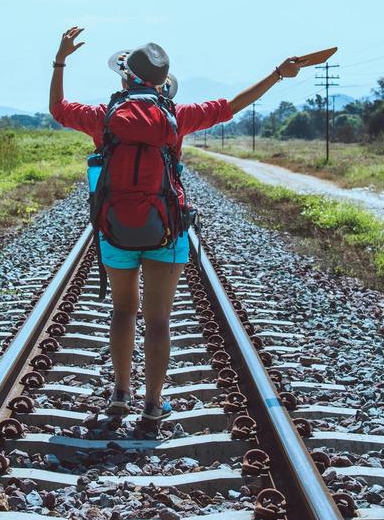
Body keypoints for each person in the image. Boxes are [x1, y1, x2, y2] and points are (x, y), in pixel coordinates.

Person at [49, 26, 311, 423]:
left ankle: (121, 393)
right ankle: (153, 404)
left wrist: (60, 59)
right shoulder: (176, 116)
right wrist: (277, 73)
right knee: (158, 320)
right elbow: (233, 105)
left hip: (115, 227)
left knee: (123, 311)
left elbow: (57, 107)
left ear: (125, 78)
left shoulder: (102, 119)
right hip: (167, 228)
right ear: (163, 82)